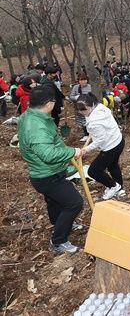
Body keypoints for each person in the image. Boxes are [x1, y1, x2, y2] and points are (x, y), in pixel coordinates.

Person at [18, 87, 84, 253]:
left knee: (55, 201)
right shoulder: (36, 127)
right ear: (48, 104)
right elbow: (48, 154)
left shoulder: (31, 114)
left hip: (46, 171)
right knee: (74, 203)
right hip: (47, 175)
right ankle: (58, 242)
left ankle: (60, 223)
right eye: (54, 101)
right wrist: (72, 151)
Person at [77, 94, 126, 200]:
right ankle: (120, 189)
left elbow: (100, 140)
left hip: (111, 147)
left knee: (93, 171)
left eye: (84, 110)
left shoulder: (95, 123)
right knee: (112, 165)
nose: (82, 112)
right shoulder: (100, 107)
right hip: (118, 140)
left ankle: (113, 186)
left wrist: (86, 149)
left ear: (91, 105)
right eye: (80, 110)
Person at [69, 75, 92, 141]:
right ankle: (86, 133)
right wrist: (76, 97)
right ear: (79, 81)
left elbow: (93, 96)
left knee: (88, 120)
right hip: (79, 107)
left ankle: (90, 133)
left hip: (88, 107)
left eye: (85, 80)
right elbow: (71, 96)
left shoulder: (90, 87)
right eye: (81, 80)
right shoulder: (76, 87)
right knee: (81, 121)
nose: (83, 81)